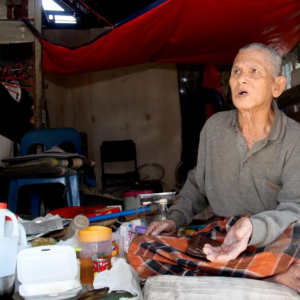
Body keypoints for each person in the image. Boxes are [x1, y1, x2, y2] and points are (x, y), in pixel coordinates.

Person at [129, 43, 300, 292]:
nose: (241, 78)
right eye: (236, 71)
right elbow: (198, 184)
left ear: (277, 86)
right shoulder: (214, 128)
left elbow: (295, 207)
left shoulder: (295, 138)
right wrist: (175, 220)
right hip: (223, 238)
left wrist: (253, 228)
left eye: (254, 71)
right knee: (140, 248)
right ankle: (266, 276)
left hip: (271, 235)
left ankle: (221, 271)